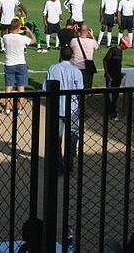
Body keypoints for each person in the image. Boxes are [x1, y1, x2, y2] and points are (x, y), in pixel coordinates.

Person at [43, 46, 83, 174]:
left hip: (57, 107)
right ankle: (69, 163)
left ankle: (58, 166)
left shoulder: (53, 68)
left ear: (60, 54)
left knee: (56, 138)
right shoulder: (76, 71)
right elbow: (80, 90)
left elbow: (45, 88)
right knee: (72, 137)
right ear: (72, 56)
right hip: (72, 108)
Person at [2, 19, 36, 115]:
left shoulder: (5, 37)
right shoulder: (23, 38)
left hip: (9, 64)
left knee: (9, 87)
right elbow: (34, 41)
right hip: (21, 64)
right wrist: (29, 31)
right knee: (21, 88)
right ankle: (20, 108)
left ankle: (7, 108)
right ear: (19, 27)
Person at [103, 36, 132, 120]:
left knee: (115, 95)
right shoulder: (113, 50)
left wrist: (120, 73)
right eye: (126, 46)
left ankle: (111, 112)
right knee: (111, 96)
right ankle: (112, 113)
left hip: (117, 77)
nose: (126, 47)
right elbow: (105, 60)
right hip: (111, 77)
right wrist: (107, 73)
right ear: (122, 43)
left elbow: (117, 65)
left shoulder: (120, 51)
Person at [70, 24, 100, 89]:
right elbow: (98, 47)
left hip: (76, 67)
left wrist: (76, 32)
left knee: (75, 87)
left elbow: (71, 47)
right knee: (87, 88)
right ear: (88, 31)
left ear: (79, 31)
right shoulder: (92, 42)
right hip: (88, 67)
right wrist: (92, 35)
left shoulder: (74, 41)